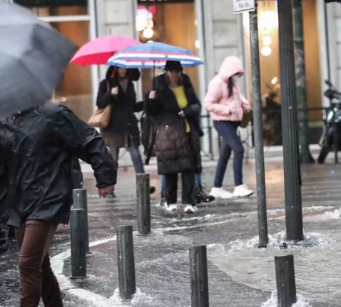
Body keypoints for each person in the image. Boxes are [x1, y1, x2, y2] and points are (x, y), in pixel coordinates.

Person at [0, 102, 117, 307]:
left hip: (49, 197)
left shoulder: (54, 115)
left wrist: (105, 175)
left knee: (28, 264)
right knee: (40, 265)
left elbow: (90, 141)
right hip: (19, 200)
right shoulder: (3, 119)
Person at [145, 60, 201, 214]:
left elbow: (197, 105)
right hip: (168, 133)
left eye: (177, 72)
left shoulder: (186, 86)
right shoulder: (159, 87)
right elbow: (151, 112)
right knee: (170, 167)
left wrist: (187, 111)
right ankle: (170, 201)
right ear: (166, 72)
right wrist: (151, 99)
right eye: (171, 71)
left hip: (187, 131)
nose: (174, 75)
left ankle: (190, 201)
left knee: (188, 167)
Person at [204, 56, 254, 199]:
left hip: (232, 122)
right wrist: (227, 109)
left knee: (224, 155)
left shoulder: (232, 83)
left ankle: (217, 187)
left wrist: (244, 104)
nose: (237, 76)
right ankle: (239, 185)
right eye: (235, 73)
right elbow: (208, 104)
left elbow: (238, 96)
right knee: (239, 149)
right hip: (222, 122)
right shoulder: (216, 83)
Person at [96, 66, 146, 197]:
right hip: (113, 127)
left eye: (125, 67)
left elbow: (132, 106)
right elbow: (99, 103)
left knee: (136, 156)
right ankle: (110, 189)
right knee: (113, 159)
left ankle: (143, 186)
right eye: (120, 67)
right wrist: (110, 94)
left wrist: (146, 102)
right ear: (115, 68)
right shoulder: (106, 83)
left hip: (129, 126)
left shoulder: (130, 84)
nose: (123, 70)